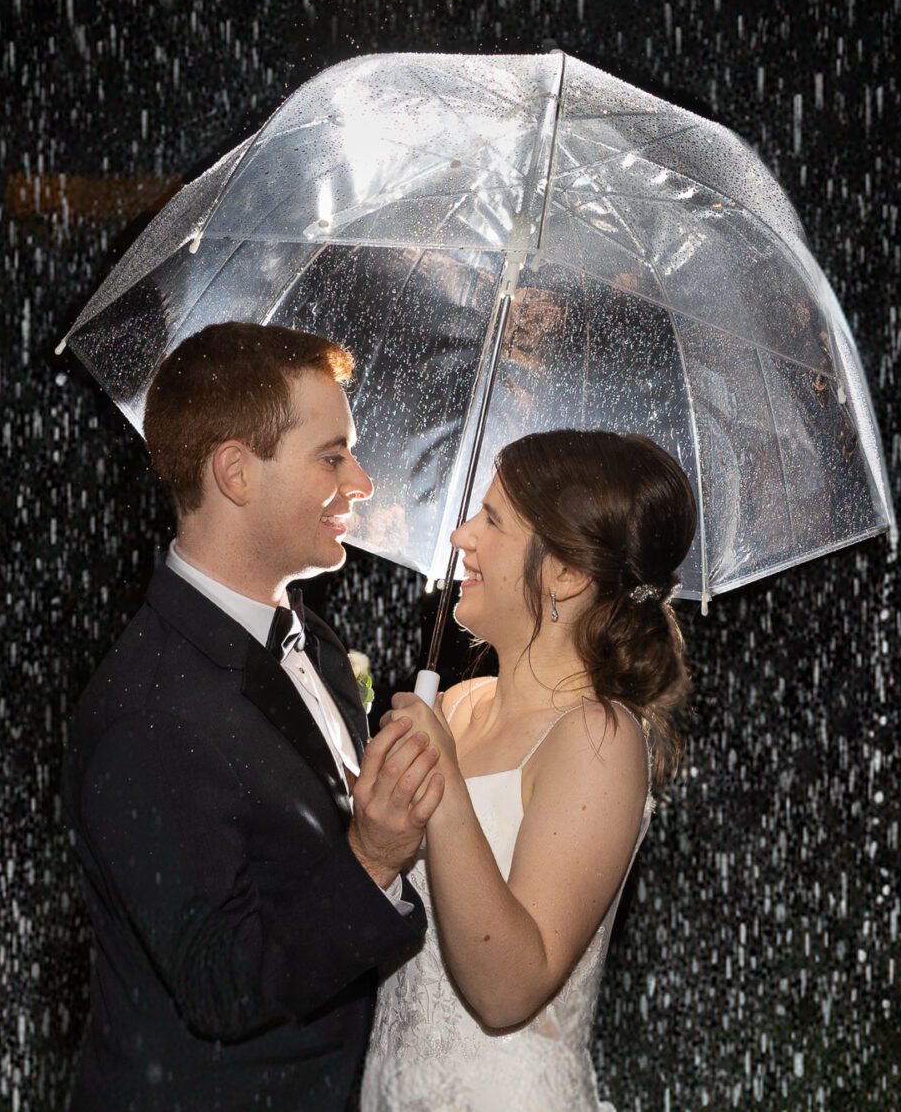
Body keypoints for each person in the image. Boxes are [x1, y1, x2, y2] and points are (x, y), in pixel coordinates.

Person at [65, 321, 445, 1110]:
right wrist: (373, 859)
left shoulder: (318, 647)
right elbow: (223, 984)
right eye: (333, 455)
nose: (363, 482)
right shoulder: (151, 708)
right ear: (236, 473)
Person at [360, 429, 697, 1111]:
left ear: (566, 573)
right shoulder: (453, 706)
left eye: (492, 521)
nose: (460, 538)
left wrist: (445, 788)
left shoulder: (598, 738)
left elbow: (507, 992)